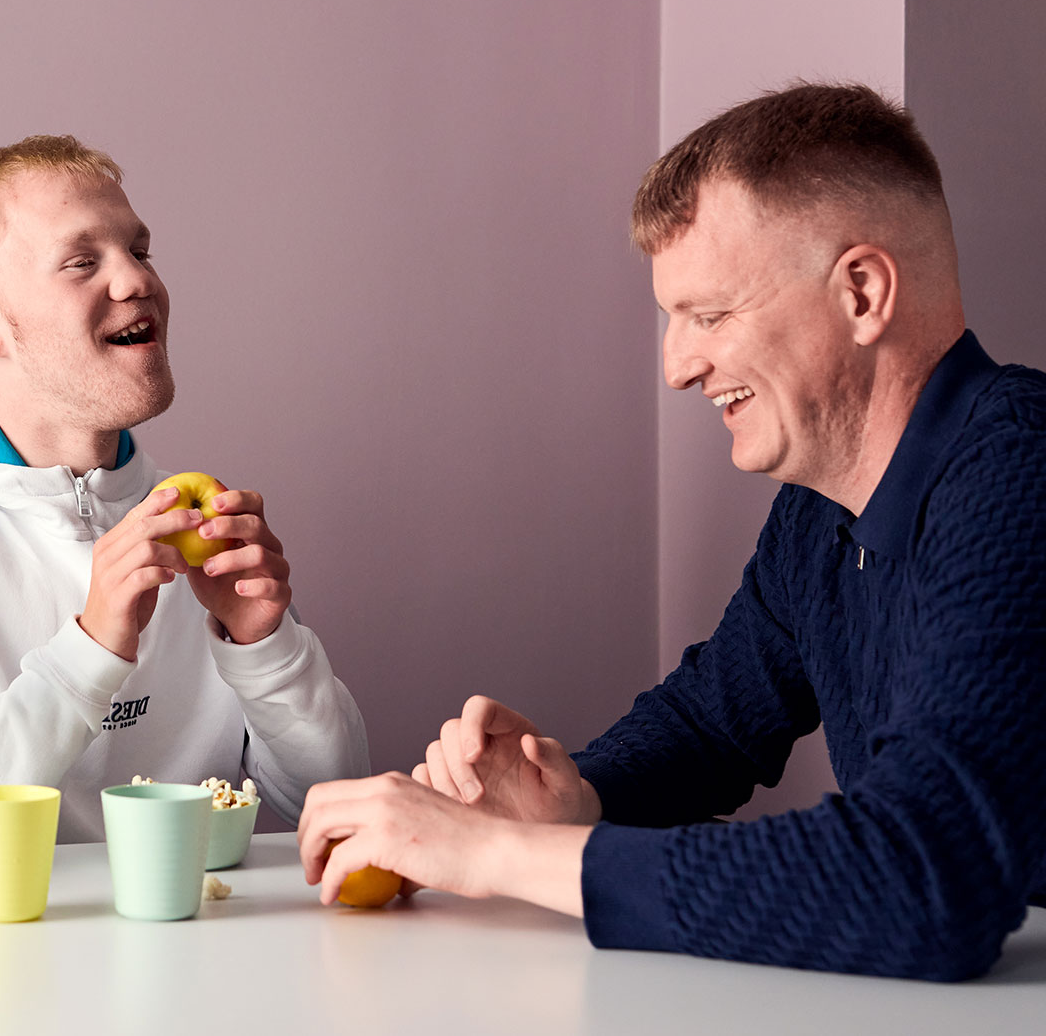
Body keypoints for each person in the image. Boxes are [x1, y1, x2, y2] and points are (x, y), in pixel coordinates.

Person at [298, 83, 1046, 980]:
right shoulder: (816, 511)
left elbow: (924, 877)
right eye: (672, 319)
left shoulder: (1023, 470)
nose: (678, 366)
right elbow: (709, 726)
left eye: (710, 314)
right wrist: (570, 796)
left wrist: (492, 853)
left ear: (861, 292)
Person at [0, 135, 369, 851]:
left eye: (139, 250)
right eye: (83, 261)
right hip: (2, 926)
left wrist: (264, 644)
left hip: (196, 918)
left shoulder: (192, 523)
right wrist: (90, 650)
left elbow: (331, 799)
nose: (138, 280)